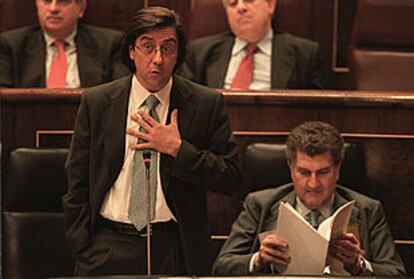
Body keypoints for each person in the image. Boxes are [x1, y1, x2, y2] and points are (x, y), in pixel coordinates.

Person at [63, 6, 242, 276]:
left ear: (178, 53)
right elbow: (77, 180)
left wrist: (179, 151)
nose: (157, 58)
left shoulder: (205, 104)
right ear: (132, 51)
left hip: (174, 246)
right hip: (107, 244)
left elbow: (231, 177)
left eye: (167, 48)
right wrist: (83, 246)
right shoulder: (98, 102)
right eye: (148, 47)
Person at [213, 121, 406, 276]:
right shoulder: (260, 204)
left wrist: (359, 265)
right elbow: (221, 268)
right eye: (304, 172)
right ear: (291, 168)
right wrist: (259, 259)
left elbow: (396, 273)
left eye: (323, 172)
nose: (313, 184)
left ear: (337, 170)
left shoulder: (368, 210)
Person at [179, 0, 326, 90]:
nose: (241, 7)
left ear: (270, 5)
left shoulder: (305, 54)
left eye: (249, 0)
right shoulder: (199, 52)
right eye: (233, 3)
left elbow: (316, 112)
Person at [0, 0, 129, 88]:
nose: (53, 8)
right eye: (46, 1)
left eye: (63, 1)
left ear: (81, 8)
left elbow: (118, 98)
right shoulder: (11, 45)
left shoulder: (110, 44)